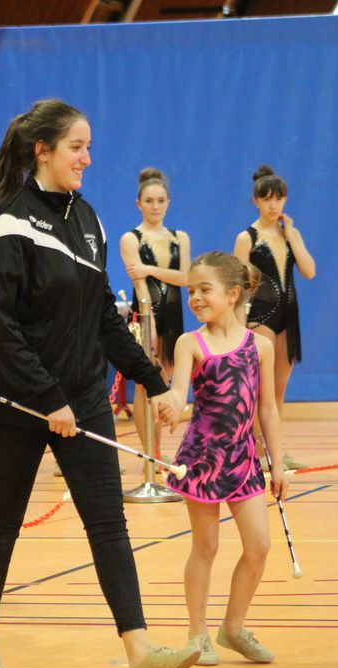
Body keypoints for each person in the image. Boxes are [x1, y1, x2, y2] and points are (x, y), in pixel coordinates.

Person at [0, 99, 200, 668]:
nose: (87, 159)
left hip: (83, 397)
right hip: (17, 402)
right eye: (77, 147)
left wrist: (156, 383)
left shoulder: (89, 220)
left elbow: (102, 318)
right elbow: (4, 329)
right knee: (2, 521)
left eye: (89, 147)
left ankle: (141, 654)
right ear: (42, 150)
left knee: (108, 524)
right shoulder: (11, 222)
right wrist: (49, 401)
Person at [159, 251, 291, 666]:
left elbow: (266, 409)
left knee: (260, 545)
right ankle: (197, 633)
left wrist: (278, 463)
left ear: (233, 294)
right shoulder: (189, 343)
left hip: (244, 459)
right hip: (202, 458)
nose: (194, 298)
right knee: (207, 545)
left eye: (204, 290)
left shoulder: (260, 346)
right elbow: (180, 392)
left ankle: (233, 628)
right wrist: (171, 404)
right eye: (191, 291)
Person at [233, 165, 316, 471]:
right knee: (260, 389)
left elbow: (309, 271)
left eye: (278, 198)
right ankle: (255, 450)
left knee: (278, 390)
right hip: (260, 317)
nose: (273, 205)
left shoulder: (289, 234)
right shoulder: (247, 237)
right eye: (266, 199)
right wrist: (238, 328)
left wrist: (293, 235)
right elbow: (238, 286)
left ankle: (275, 450)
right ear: (256, 200)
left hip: (288, 317)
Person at [119, 167, 190, 460]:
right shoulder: (131, 238)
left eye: (161, 200)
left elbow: (185, 278)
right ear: (139, 203)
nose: (155, 206)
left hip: (174, 316)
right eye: (149, 201)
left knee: (165, 384)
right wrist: (150, 328)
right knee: (145, 385)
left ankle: (158, 451)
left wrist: (149, 270)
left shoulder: (179, 238)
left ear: (168, 202)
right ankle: (152, 452)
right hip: (146, 316)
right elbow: (141, 288)